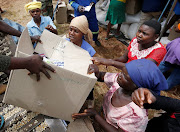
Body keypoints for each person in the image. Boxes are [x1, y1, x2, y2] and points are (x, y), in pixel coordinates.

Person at [72, 59, 168, 132]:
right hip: (106, 116)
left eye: (125, 76)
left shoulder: (137, 115)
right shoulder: (119, 82)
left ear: (139, 86)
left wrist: (96, 116)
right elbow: (102, 76)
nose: (120, 75)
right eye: (122, 72)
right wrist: (96, 72)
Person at [91, 20, 166, 69]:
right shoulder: (135, 41)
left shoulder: (159, 50)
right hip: (126, 76)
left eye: (144, 34)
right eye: (139, 31)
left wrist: (111, 62)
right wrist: (108, 61)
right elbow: (124, 58)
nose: (139, 35)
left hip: (139, 82)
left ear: (156, 36)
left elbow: (139, 70)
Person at [158, 22, 180, 90]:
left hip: (175, 48)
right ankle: (164, 88)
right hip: (177, 49)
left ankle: (149, 78)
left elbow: (177, 28)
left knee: (164, 65)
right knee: (177, 74)